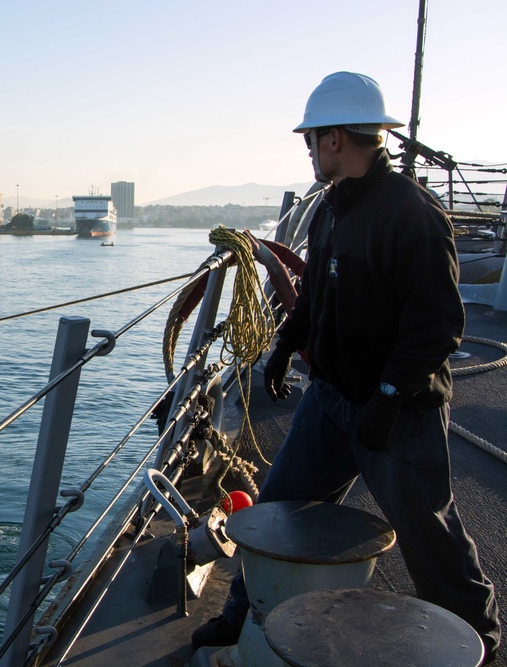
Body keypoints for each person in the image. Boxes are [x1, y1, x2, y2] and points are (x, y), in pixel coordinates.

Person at [191, 72, 501, 663]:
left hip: (398, 412)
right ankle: (239, 618)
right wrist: (287, 342)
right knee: (276, 514)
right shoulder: (334, 209)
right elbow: (317, 295)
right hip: (329, 401)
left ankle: (479, 636)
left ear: (335, 138)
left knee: (426, 531)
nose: (307, 149)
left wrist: (386, 398)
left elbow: (438, 325)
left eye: (311, 139)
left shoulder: (411, 214)